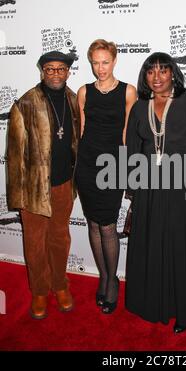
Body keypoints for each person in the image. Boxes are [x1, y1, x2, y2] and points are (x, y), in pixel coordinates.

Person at [125, 52, 186, 333]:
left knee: (181, 244)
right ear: (145, 76)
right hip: (149, 188)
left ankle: (184, 311)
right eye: (151, 72)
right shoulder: (140, 107)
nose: (157, 77)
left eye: (163, 70)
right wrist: (134, 193)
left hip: (184, 185)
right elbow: (134, 152)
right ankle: (153, 303)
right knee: (151, 241)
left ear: (173, 73)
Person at [7, 51, 80, 319]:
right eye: (50, 69)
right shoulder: (25, 103)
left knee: (60, 239)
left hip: (64, 185)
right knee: (35, 243)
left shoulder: (75, 100)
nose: (56, 73)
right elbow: (14, 155)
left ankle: (60, 285)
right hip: (33, 189)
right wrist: (18, 197)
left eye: (61, 69)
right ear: (42, 71)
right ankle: (39, 290)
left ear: (68, 71)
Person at [75, 39, 137, 314]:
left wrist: (129, 174)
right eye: (95, 63)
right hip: (87, 165)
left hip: (112, 165)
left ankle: (112, 281)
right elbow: (81, 132)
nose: (100, 68)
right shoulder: (84, 92)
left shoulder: (128, 92)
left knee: (108, 226)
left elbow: (128, 135)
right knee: (92, 224)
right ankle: (103, 275)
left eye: (105, 62)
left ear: (115, 60)